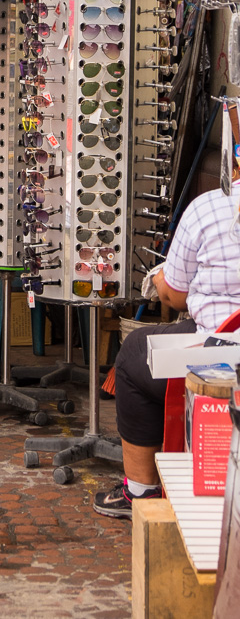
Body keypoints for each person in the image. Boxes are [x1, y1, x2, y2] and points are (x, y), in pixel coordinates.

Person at [93, 178, 240, 519]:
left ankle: (141, 491)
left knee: (133, 354)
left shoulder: (209, 207)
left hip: (222, 355)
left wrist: (160, 280)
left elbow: (174, 295)